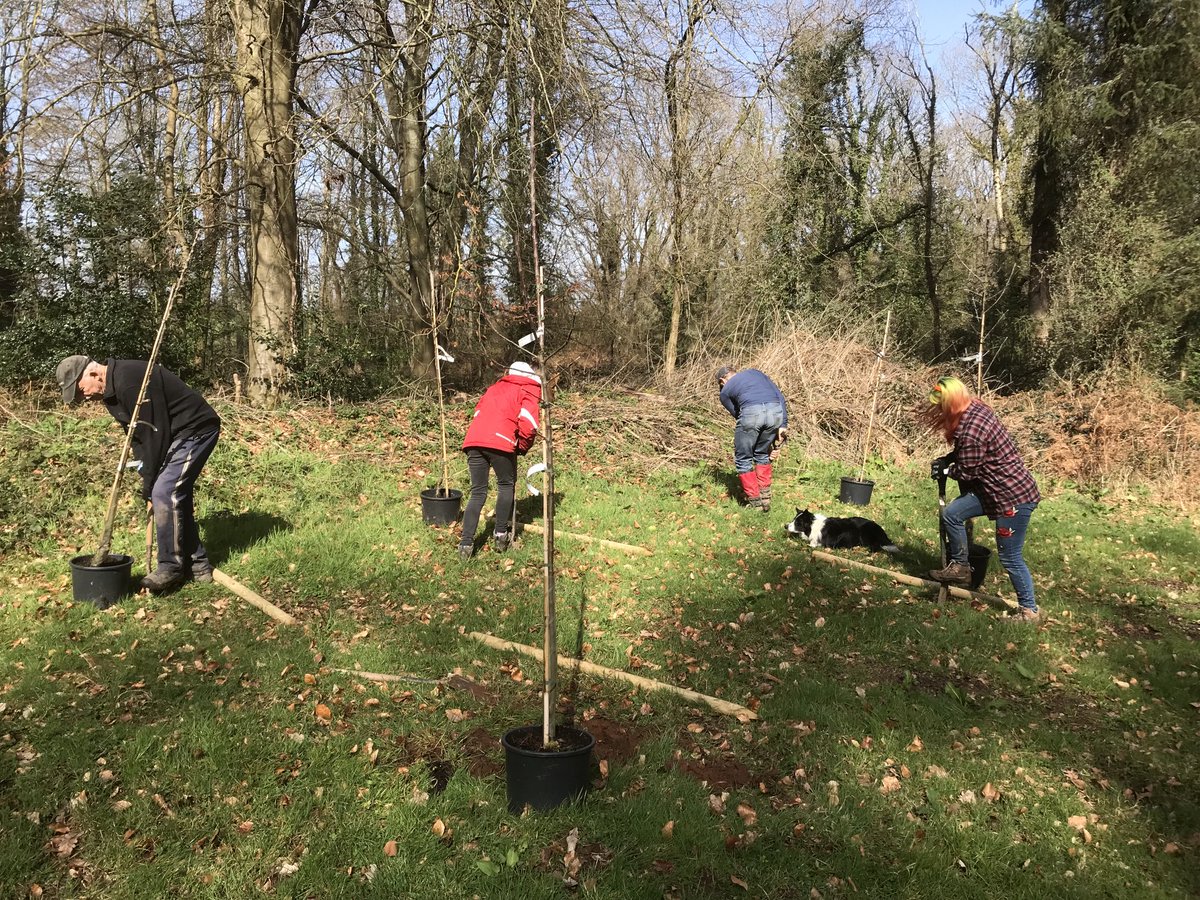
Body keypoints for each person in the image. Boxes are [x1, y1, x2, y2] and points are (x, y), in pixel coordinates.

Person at [56, 356, 222, 593]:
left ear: (92, 374)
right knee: (171, 495)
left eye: (81, 391)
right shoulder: (111, 393)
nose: (84, 398)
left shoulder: (130, 381)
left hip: (195, 429)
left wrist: (150, 486)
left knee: (165, 492)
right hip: (173, 434)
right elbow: (138, 437)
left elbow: (155, 434)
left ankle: (170, 567)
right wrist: (146, 472)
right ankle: (199, 566)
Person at [921, 376, 1041, 621]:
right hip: (993, 490)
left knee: (1010, 556)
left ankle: (1029, 610)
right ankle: (961, 566)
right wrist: (949, 459)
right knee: (952, 514)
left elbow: (968, 471)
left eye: (942, 405)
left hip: (1012, 497)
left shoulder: (972, 428)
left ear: (952, 403)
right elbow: (966, 454)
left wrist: (947, 470)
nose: (939, 410)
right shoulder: (974, 409)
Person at [458, 361, 542, 560]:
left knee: (477, 492)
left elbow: (478, 413)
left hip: (474, 440)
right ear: (530, 376)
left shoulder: (494, 388)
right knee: (506, 485)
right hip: (501, 442)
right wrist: (522, 447)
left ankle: (466, 544)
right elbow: (529, 424)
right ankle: (501, 535)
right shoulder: (527, 390)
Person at [716, 365, 788, 511]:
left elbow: (737, 413)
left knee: (743, 458)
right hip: (776, 412)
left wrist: (751, 427)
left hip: (751, 414)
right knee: (761, 453)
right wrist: (783, 423)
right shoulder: (756, 372)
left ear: (722, 380)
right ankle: (765, 498)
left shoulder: (725, 391)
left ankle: (755, 503)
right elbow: (779, 396)